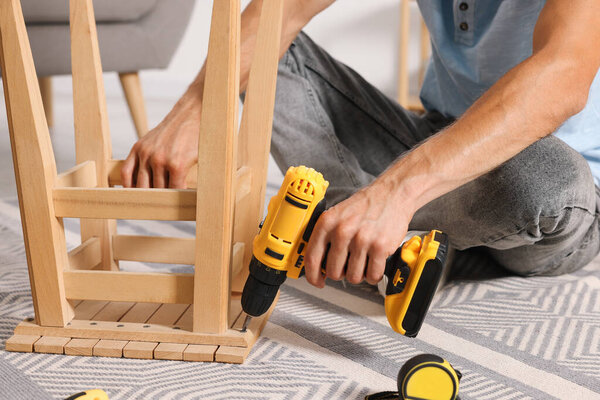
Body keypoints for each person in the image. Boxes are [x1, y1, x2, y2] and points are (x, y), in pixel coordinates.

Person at [121, 0, 600, 290]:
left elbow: (563, 75)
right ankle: (369, 240)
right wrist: (194, 109)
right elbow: (283, 11)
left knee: (543, 179)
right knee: (268, 47)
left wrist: (393, 192)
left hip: (555, 200)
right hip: (433, 141)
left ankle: (363, 229)